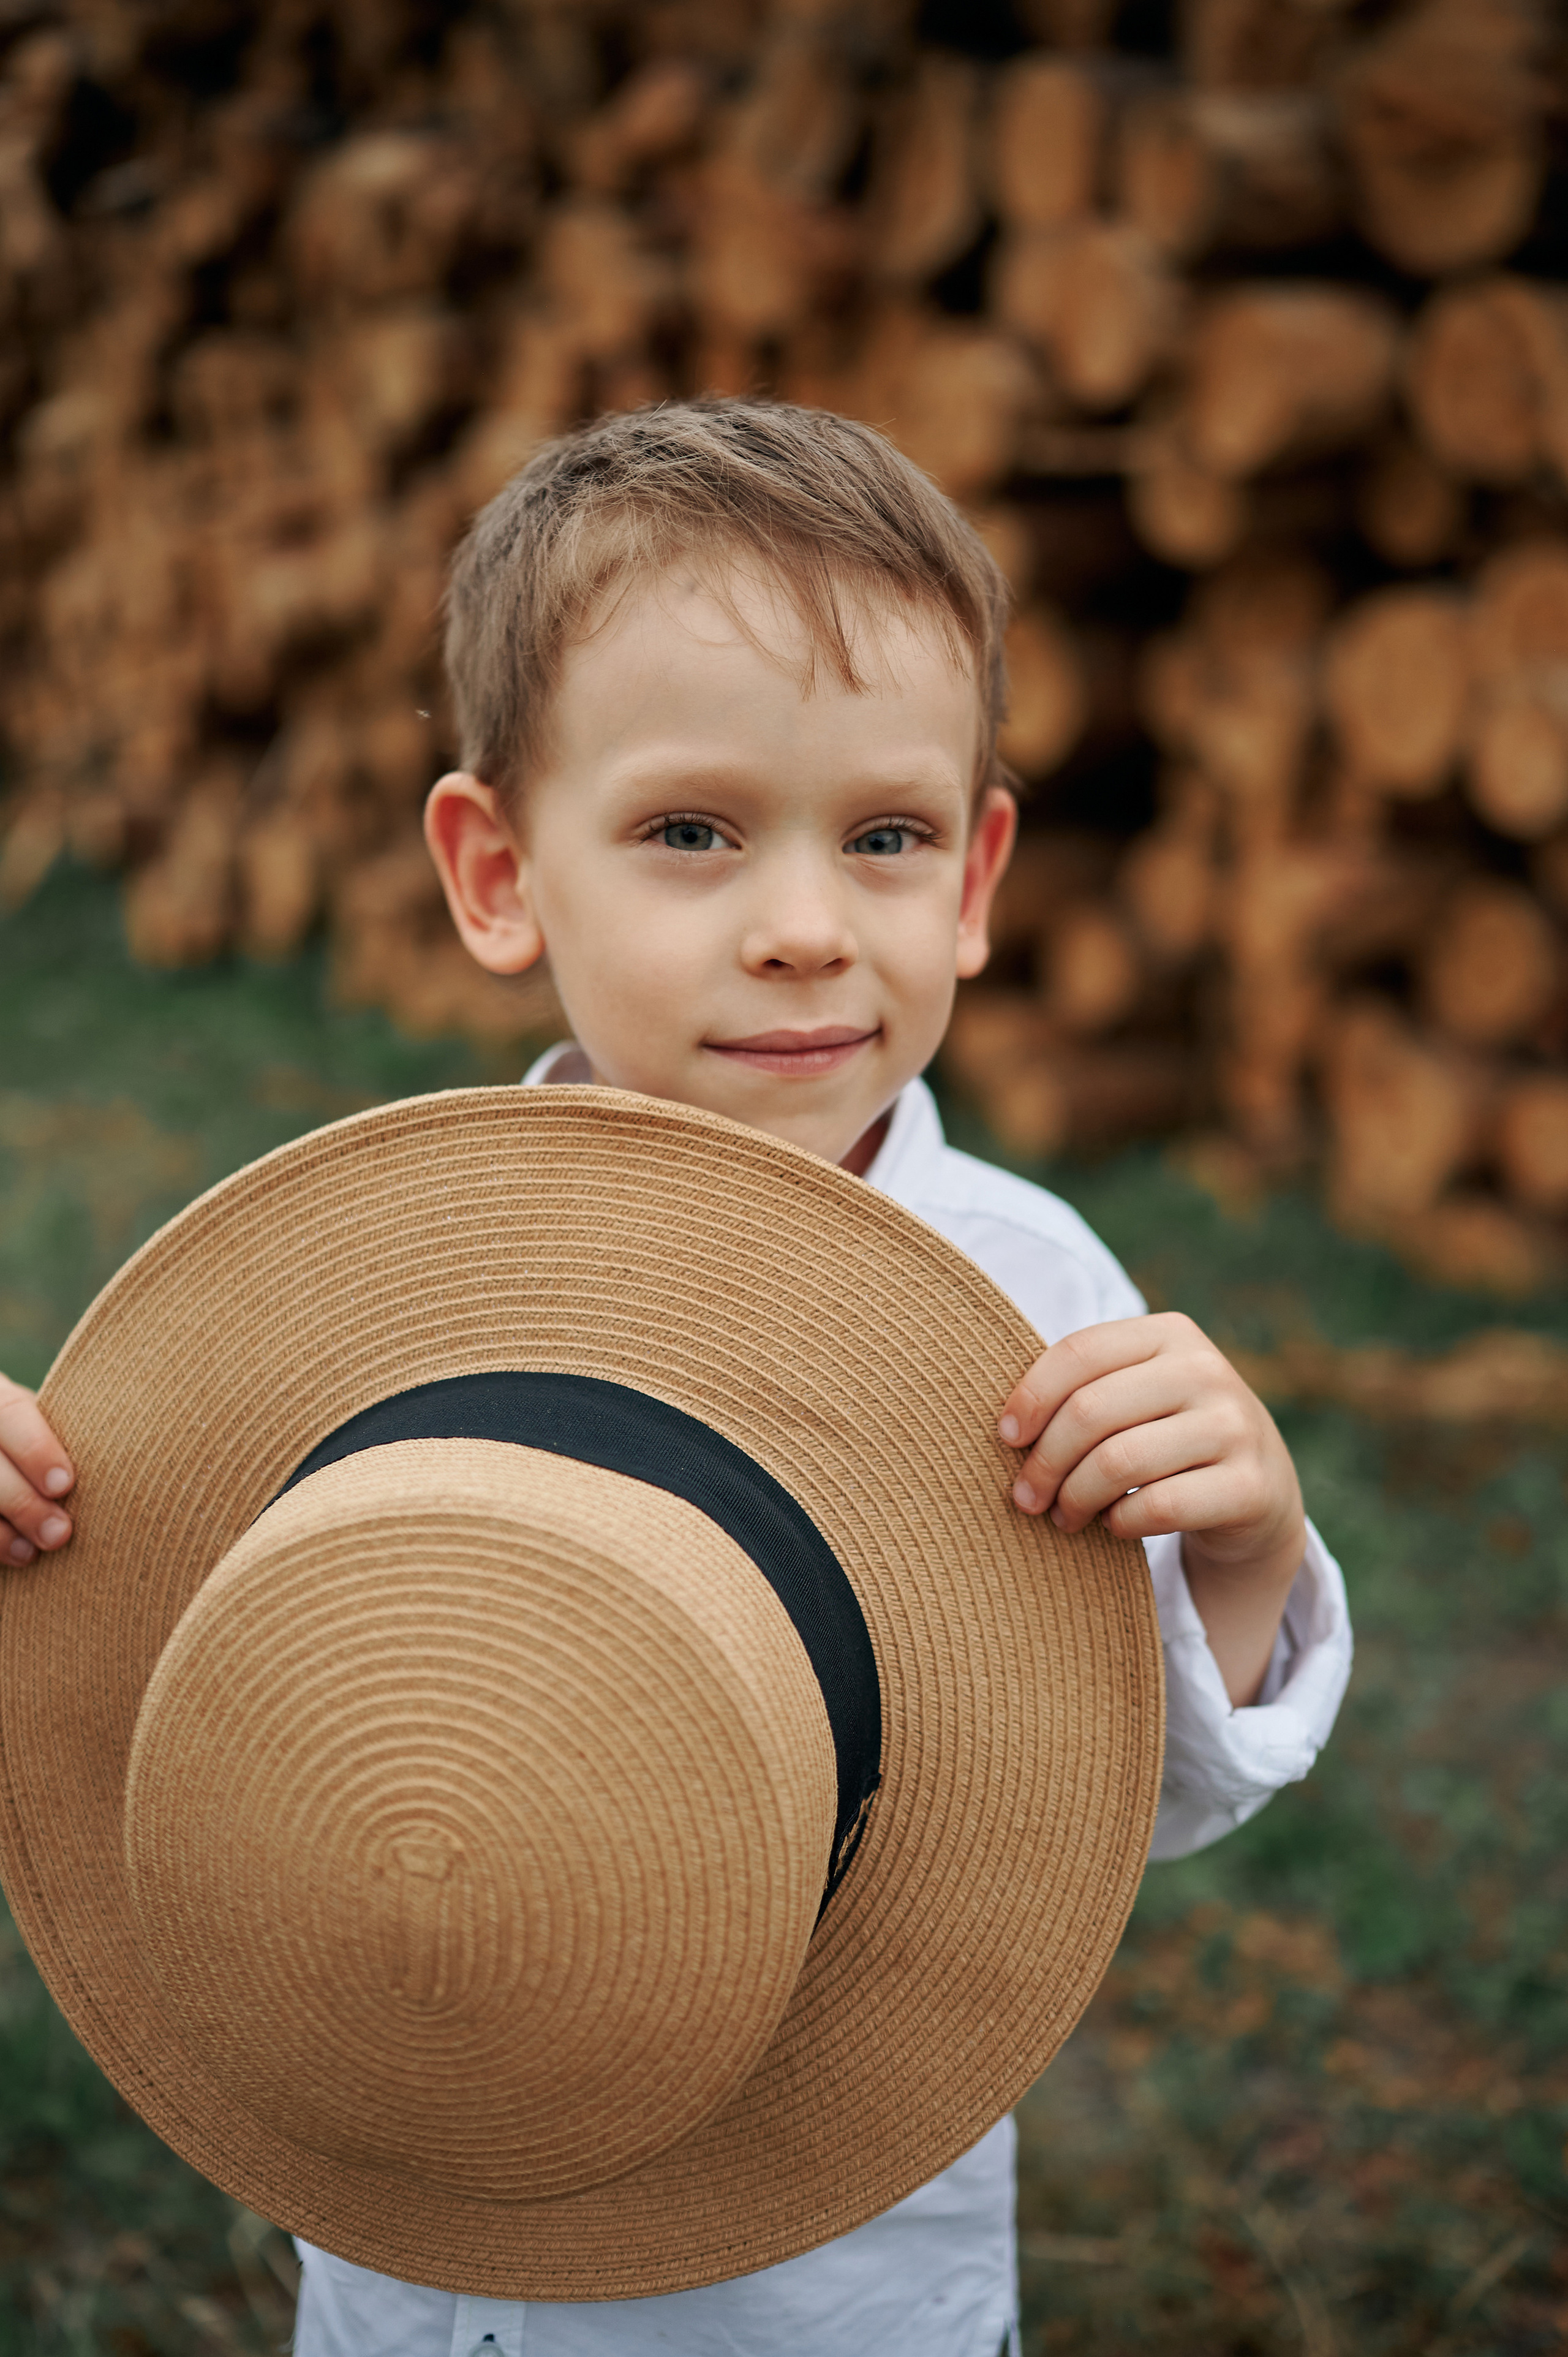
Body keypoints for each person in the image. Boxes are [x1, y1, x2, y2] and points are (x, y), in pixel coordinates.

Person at [0, 399, 1351, 2357]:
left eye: (882, 839)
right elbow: (192, 1711)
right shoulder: (375, 1278)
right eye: (691, 834)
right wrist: (49, 1542)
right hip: (416, 2199)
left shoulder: (1029, 1297)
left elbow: (1088, 1799)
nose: (804, 931)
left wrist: (1239, 1562)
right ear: (498, 873)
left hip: (820, 2280)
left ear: (973, 879)